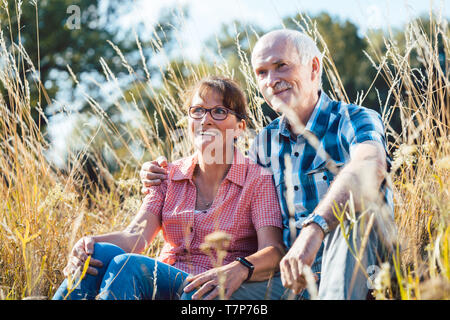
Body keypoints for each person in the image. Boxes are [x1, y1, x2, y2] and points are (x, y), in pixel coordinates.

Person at [140, 29, 396, 300]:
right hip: (287, 282)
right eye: (262, 72)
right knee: (205, 299)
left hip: (355, 270)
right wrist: (163, 173)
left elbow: (371, 164)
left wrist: (314, 229)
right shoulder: (264, 142)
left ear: (313, 67)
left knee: (355, 214)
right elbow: (232, 189)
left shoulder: (353, 119)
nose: (272, 80)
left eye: (281, 66)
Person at [52, 76, 285, 300]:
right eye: (198, 111)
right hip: (164, 279)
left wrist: (239, 268)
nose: (206, 120)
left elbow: (273, 251)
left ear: (240, 127)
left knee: (127, 266)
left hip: (211, 287)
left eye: (220, 111)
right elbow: (135, 237)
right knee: (99, 254)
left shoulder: (257, 179)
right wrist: (87, 243)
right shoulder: (167, 175)